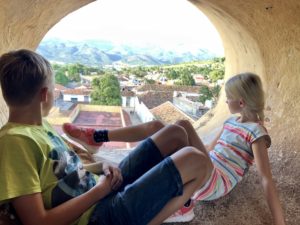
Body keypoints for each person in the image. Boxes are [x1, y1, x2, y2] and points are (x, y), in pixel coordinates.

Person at [0, 49, 212, 225]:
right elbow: (37, 222)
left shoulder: (39, 125)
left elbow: (67, 171)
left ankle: (161, 199)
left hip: (100, 188)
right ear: (45, 95)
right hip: (97, 216)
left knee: (175, 133)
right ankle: (167, 211)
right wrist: (99, 192)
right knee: (197, 161)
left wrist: (101, 167)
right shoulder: (14, 142)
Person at [63, 72, 286, 225]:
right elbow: (209, 147)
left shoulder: (256, 133)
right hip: (209, 164)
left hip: (217, 180)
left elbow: (266, 178)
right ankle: (98, 137)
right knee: (170, 127)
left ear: (242, 103)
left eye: (228, 98)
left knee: (183, 126)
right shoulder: (232, 121)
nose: (225, 101)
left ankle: (185, 200)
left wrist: (279, 222)